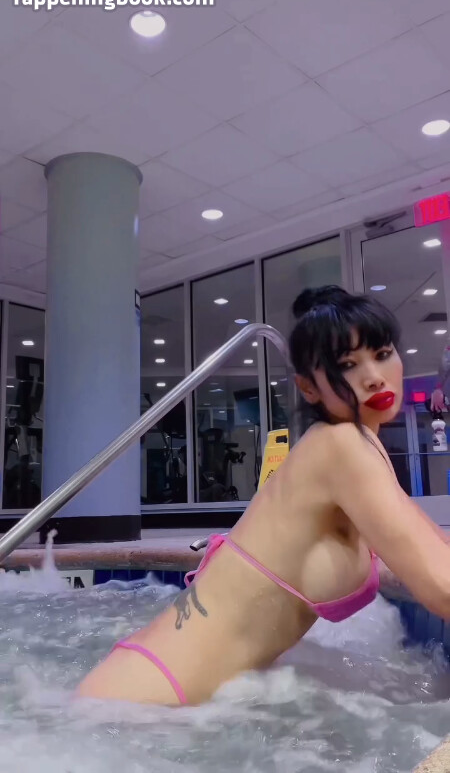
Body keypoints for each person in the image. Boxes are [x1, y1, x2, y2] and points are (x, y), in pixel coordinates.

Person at [76, 285, 450, 707]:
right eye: (347, 364)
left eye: (382, 353)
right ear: (308, 388)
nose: (373, 376)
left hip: (157, 690)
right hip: (144, 697)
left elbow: (434, 545)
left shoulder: (357, 446)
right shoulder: (340, 447)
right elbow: (441, 585)